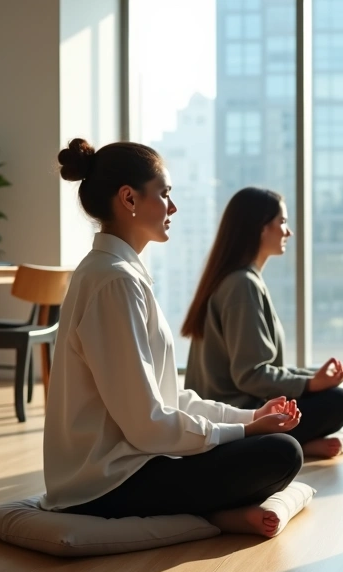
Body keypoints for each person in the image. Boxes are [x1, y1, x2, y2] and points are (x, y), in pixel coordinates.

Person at [41, 138, 307, 538]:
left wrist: (250, 417)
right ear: (129, 198)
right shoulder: (114, 281)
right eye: (165, 194)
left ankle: (216, 513)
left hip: (128, 464)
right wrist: (248, 431)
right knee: (282, 454)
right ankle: (214, 514)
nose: (173, 207)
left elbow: (166, 399)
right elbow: (149, 427)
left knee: (273, 446)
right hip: (102, 486)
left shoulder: (118, 273)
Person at [182, 187, 343, 459]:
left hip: (231, 409)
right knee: (339, 402)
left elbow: (259, 370)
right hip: (235, 415)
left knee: (332, 397)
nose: (289, 232)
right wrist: (310, 384)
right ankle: (286, 442)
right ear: (261, 228)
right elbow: (250, 375)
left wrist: (311, 379)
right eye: (282, 222)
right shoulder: (242, 284)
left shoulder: (238, 280)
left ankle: (297, 441)